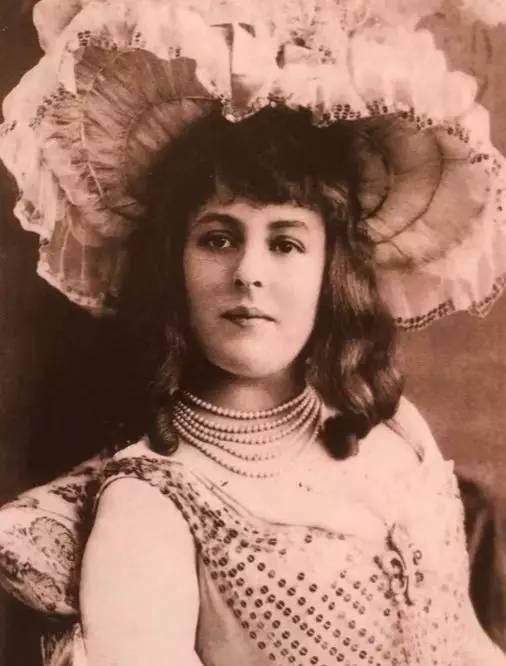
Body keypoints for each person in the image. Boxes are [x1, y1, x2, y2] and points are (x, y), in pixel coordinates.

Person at [1, 1, 506, 665]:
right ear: (175, 267)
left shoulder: (393, 427)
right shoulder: (152, 503)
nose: (249, 274)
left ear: (331, 270)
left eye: (286, 243)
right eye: (218, 239)